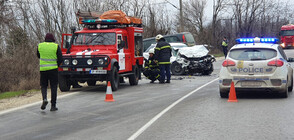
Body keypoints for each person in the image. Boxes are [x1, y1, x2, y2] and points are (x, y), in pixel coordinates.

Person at [37, 33, 62, 111]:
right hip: (53, 70)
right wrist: (56, 65)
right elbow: (61, 58)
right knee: (54, 87)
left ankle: (44, 98)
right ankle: (53, 106)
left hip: (43, 70)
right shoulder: (56, 46)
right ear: (53, 39)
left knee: (43, 86)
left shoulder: (40, 46)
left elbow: (38, 55)